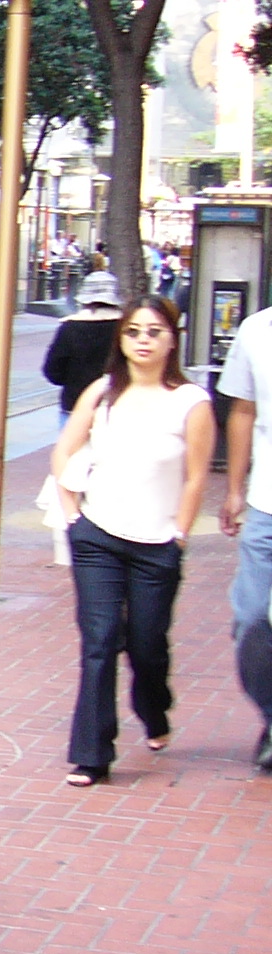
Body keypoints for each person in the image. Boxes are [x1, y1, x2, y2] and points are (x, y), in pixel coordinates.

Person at [51, 295, 213, 786]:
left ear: (172, 341)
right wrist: (73, 517)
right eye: (134, 331)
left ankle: (154, 711)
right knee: (99, 641)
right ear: (121, 339)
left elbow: (196, 477)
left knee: (147, 645)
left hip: (156, 545)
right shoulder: (102, 392)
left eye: (154, 332)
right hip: (97, 538)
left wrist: (179, 534)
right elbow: (64, 453)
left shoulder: (191, 402)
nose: (144, 341)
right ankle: (92, 755)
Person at [215, 295, 272, 774]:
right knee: (251, 622)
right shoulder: (256, 330)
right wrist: (235, 489)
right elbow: (242, 412)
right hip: (267, 504)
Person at [42, 273, 124, 417]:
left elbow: (53, 372)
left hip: (75, 406)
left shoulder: (69, 328)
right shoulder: (125, 328)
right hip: (117, 407)